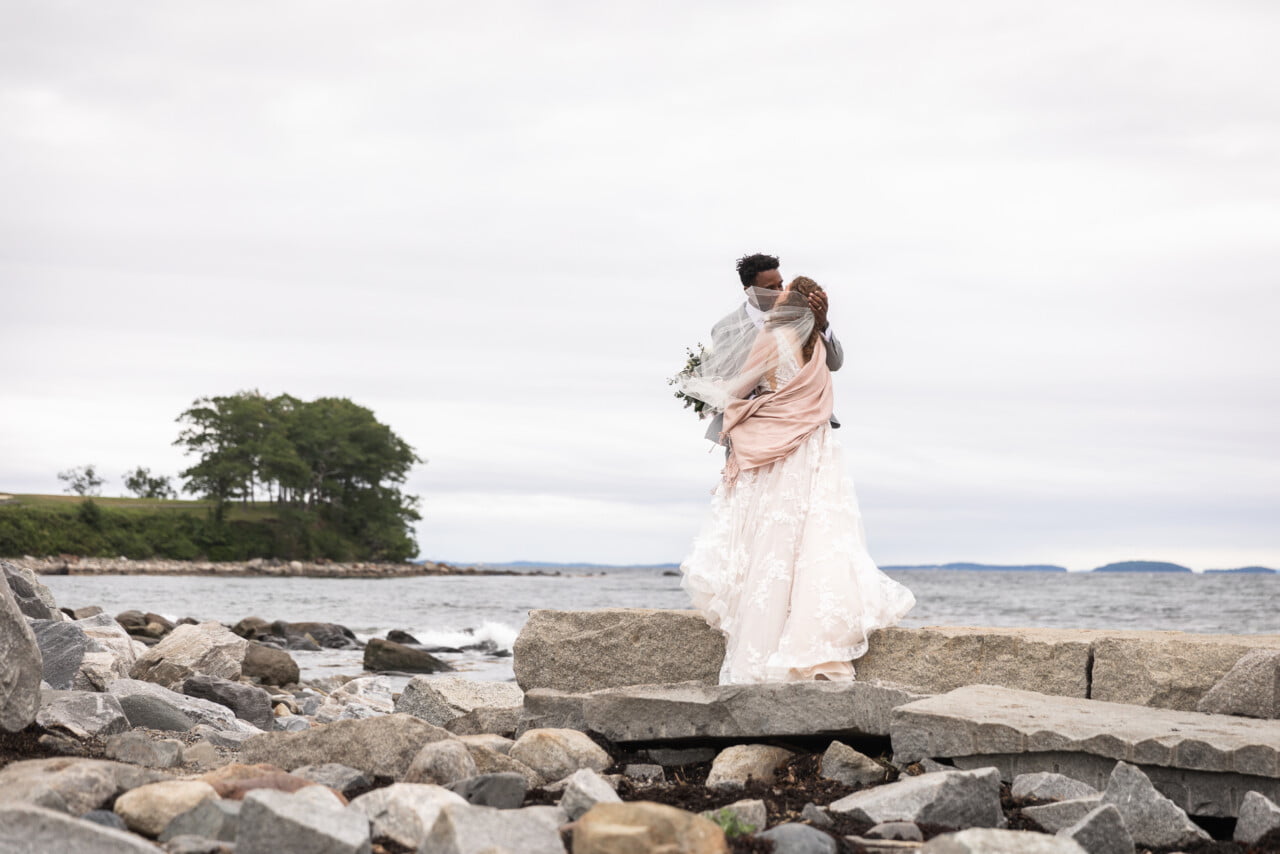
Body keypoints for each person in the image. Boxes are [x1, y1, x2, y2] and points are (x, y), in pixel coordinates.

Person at [678, 271, 915, 684]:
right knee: (813, 533)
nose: (777, 293)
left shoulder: (771, 338)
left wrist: (706, 391)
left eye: (783, 291)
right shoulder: (817, 346)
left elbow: (739, 387)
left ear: (789, 304)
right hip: (815, 446)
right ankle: (809, 633)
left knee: (774, 535)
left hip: (781, 446)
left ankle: (766, 641)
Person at [704, 254, 844, 446]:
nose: (779, 292)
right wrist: (765, 404)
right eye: (770, 288)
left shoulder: (801, 317)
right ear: (749, 290)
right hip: (751, 429)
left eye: (780, 284)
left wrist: (823, 323)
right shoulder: (726, 329)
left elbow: (835, 363)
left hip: (807, 422)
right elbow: (728, 379)